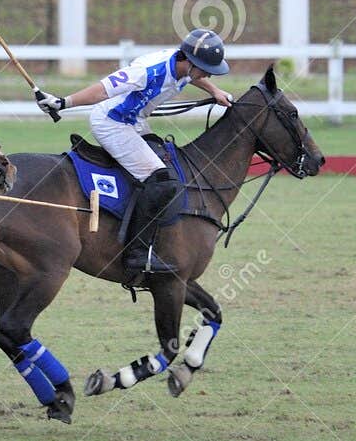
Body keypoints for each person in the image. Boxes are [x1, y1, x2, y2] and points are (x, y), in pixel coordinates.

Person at [32, 28, 233, 275]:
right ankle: (137, 254)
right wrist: (63, 103)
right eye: (205, 69)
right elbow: (102, 90)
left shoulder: (183, 65)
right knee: (161, 179)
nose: (207, 75)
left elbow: (194, 76)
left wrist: (215, 92)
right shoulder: (148, 70)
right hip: (112, 123)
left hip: (134, 120)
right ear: (189, 62)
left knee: (168, 164)